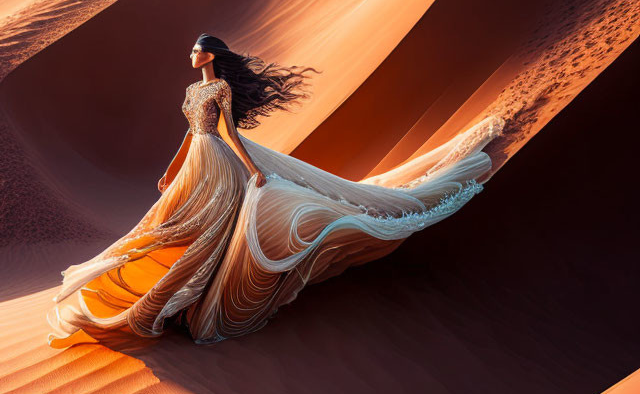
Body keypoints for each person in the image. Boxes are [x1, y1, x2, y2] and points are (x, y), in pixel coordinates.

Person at [47, 33, 503, 348]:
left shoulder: (221, 87)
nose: (192, 55)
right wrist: (170, 169)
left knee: (209, 235)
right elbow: (189, 135)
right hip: (195, 165)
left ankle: (182, 304)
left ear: (211, 56)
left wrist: (252, 170)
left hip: (221, 166)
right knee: (172, 229)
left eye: (197, 50)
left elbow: (230, 134)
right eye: (192, 50)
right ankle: (162, 299)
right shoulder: (191, 92)